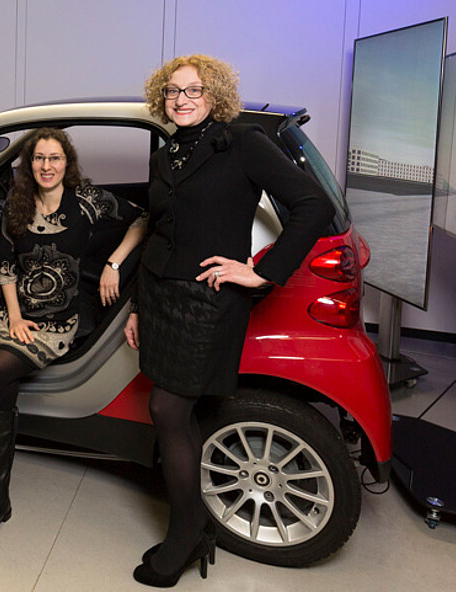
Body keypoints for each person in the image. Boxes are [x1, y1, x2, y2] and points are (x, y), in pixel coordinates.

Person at [123, 55, 334, 587]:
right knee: (179, 414)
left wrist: (261, 273)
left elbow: (313, 205)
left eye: (193, 90)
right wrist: (138, 307)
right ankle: (194, 528)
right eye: (172, 91)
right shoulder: (164, 154)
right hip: (160, 297)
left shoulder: (243, 142)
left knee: (167, 408)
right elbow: (160, 231)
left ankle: (185, 534)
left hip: (207, 300)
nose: (181, 99)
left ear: (214, 95)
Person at [0, 127, 147, 550]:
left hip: (55, 325)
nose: (47, 166)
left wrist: (115, 262)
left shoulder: (86, 201)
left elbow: (143, 218)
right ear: (29, 165)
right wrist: (14, 318)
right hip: (10, 316)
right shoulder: (16, 205)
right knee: (1, 395)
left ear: (67, 163)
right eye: (39, 158)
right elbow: (6, 269)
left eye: (55, 158)